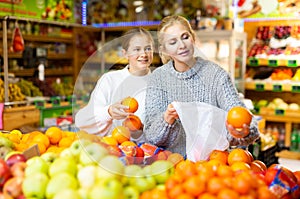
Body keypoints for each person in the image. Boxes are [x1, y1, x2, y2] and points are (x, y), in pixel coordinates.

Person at [143, 15, 259, 156]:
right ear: (165, 49)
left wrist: (241, 132)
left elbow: (246, 122)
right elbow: (151, 136)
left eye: (185, 37)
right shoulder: (158, 78)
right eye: (173, 42)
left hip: (212, 166)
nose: (182, 45)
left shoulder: (216, 75)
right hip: (174, 166)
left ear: (193, 38)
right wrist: (167, 118)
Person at [75, 27, 154, 142]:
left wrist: (141, 130)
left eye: (148, 48)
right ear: (125, 54)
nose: (143, 54)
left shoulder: (159, 82)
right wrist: (109, 112)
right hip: (113, 151)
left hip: (151, 153)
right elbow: (82, 121)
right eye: (136, 49)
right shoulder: (110, 80)